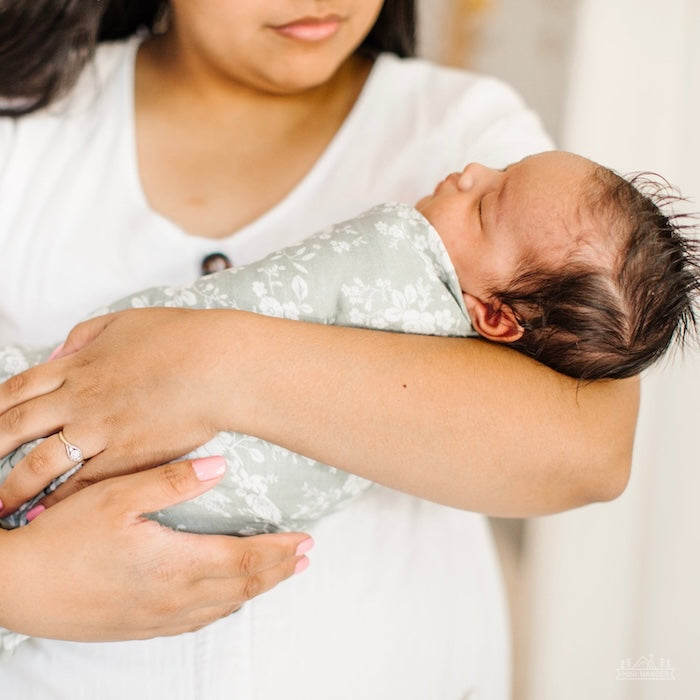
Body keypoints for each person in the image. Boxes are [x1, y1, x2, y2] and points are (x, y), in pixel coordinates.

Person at [0, 2, 641, 698]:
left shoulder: (461, 129)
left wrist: (211, 363)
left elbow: (591, 451)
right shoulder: (27, 122)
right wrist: (18, 586)